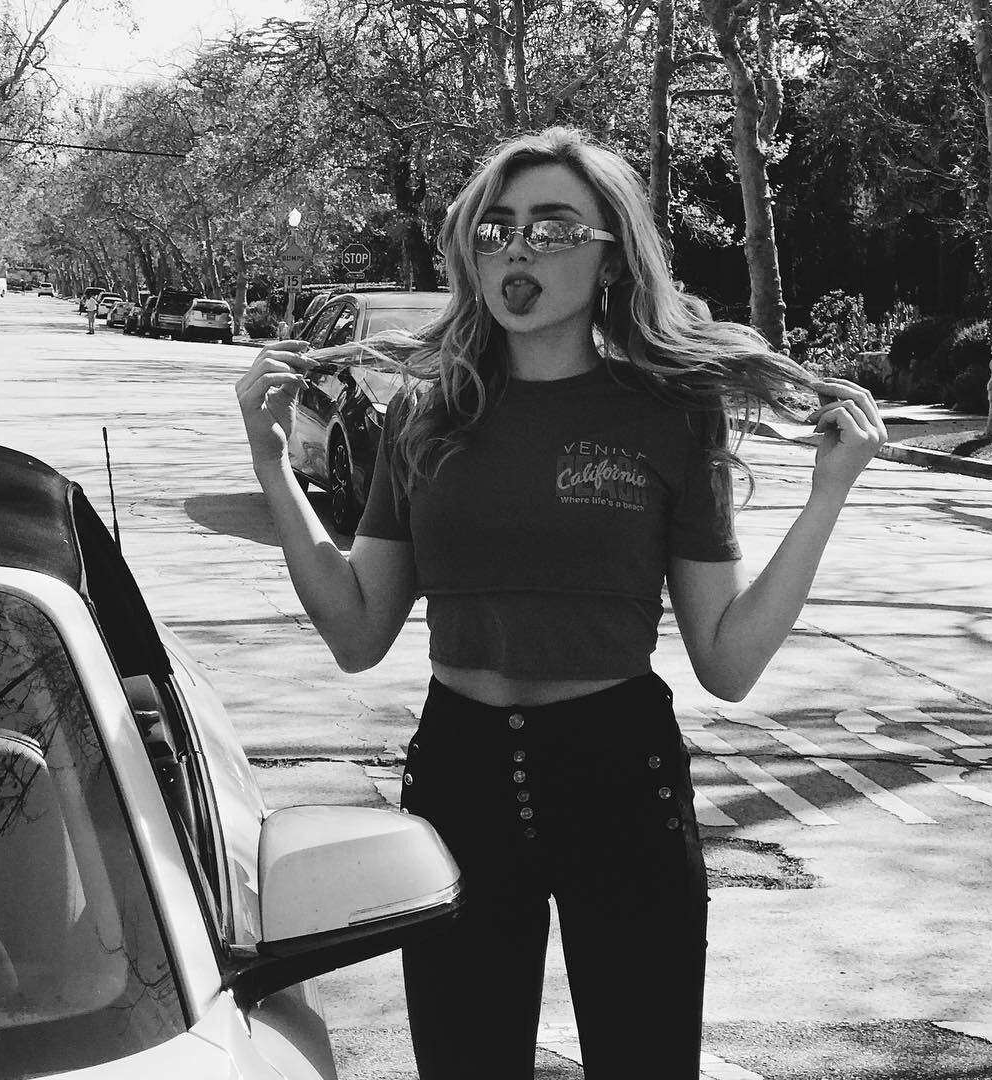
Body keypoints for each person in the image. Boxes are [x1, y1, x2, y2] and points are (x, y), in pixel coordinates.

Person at [236, 126, 887, 1079]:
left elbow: (728, 659)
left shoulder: (669, 413)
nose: (517, 250)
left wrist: (827, 496)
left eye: (552, 229)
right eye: (495, 229)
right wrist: (270, 466)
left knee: (643, 1063)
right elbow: (356, 630)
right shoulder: (427, 413)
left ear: (611, 256)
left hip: (618, 776)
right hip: (458, 774)